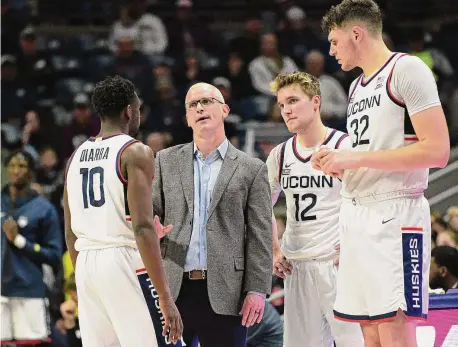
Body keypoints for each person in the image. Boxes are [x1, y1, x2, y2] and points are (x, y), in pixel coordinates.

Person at [314, 1, 451, 346]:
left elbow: (437, 151)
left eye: (334, 41)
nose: (330, 51)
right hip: (357, 214)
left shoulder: (407, 70)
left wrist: (354, 160)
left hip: (395, 214)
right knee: (369, 330)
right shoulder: (357, 86)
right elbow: (371, 154)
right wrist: (337, 164)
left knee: (393, 327)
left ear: (356, 33)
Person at [64, 75, 183, 347]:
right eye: (138, 108)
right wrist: (165, 298)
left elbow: (70, 231)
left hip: (85, 265)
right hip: (123, 260)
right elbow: (142, 228)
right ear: (129, 111)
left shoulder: (75, 156)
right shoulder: (135, 152)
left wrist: (84, 278)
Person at [152, 82, 273, 347]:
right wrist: (153, 231)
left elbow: (260, 236)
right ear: (186, 118)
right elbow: (151, 217)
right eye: (193, 105)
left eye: (207, 101)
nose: (200, 108)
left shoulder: (251, 169)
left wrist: (256, 289)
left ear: (225, 110)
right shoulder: (164, 161)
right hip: (174, 289)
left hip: (227, 292)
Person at [267, 72, 364, 347]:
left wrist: (355, 245)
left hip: (338, 264)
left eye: (293, 101)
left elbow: (367, 199)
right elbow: (260, 206)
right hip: (296, 266)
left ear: (316, 102)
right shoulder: (280, 154)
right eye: (282, 104)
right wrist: (275, 249)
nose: (286, 110)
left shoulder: (344, 145)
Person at [1, 150, 62, 346]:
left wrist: (20, 241)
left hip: (29, 291)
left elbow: (54, 255)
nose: (16, 171)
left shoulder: (44, 209)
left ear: (31, 172)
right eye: (12, 165)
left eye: (22, 166)